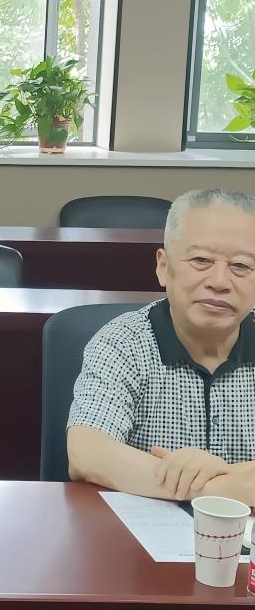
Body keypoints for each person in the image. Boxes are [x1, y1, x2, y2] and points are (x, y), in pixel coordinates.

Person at [68, 189, 255, 504]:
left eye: (241, 265)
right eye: (201, 260)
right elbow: (87, 453)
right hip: (135, 533)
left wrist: (209, 475)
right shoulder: (123, 342)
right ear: (163, 267)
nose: (220, 281)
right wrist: (221, 490)